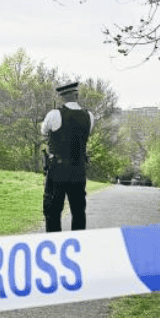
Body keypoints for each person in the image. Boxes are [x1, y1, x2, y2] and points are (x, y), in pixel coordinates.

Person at [41, 81, 94, 232]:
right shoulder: (88, 116)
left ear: (61, 97)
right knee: (78, 212)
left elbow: (44, 132)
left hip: (57, 170)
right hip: (78, 170)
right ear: (76, 95)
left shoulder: (54, 114)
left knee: (52, 211)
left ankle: (54, 247)